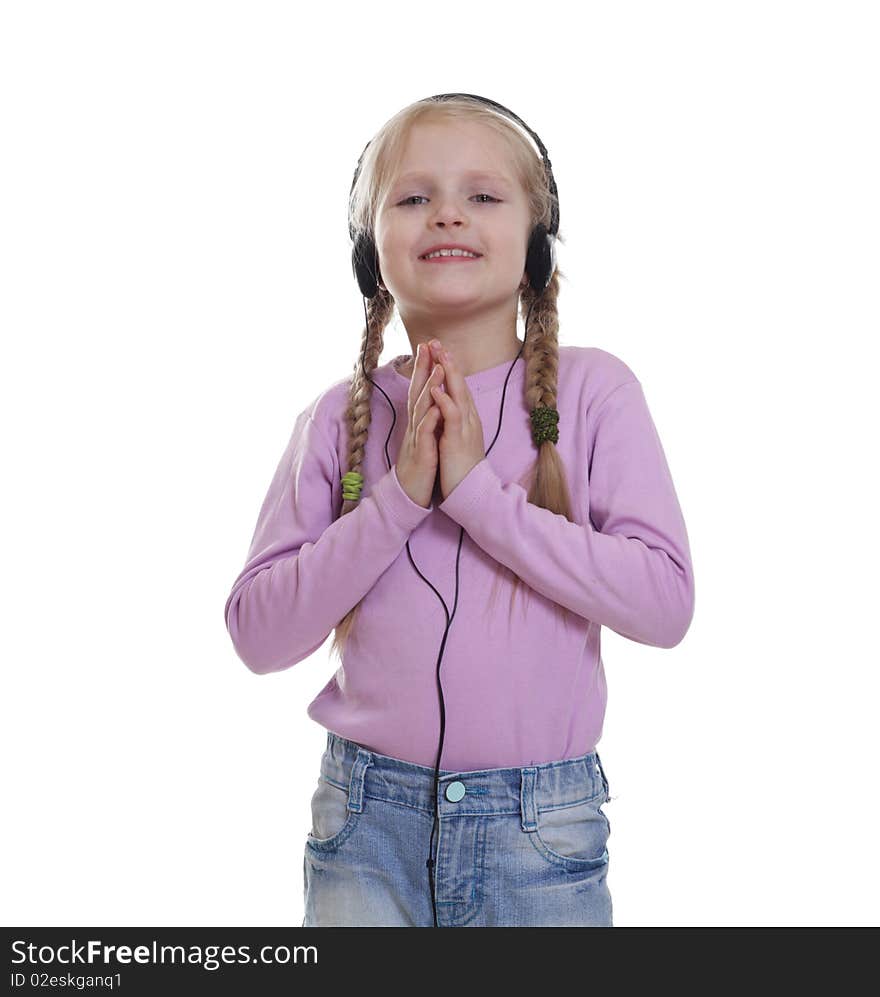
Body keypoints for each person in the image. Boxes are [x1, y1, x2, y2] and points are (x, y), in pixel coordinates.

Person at [223, 94, 695, 927]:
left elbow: (663, 603)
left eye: (483, 195)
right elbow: (258, 635)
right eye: (413, 198)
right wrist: (399, 499)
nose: (448, 213)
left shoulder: (596, 394)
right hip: (366, 824)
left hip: (539, 833)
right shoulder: (339, 417)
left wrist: (478, 495)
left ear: (537, 244)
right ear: (372, 254)